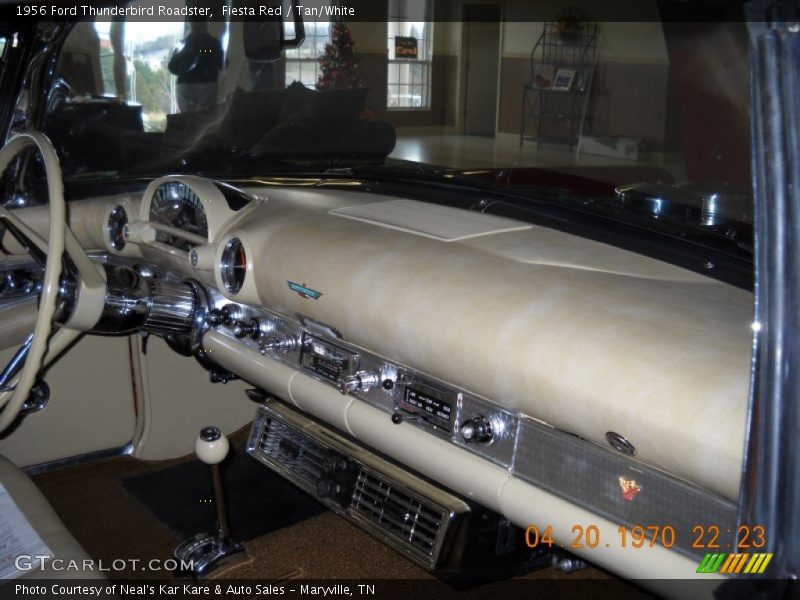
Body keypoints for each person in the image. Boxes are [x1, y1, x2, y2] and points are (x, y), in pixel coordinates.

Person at [168, 21, 224, 112]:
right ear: (206, 25)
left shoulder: (183, 43)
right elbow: (222, 63)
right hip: (207, 83)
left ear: (191, 26)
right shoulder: (213, 43)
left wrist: (186, 60)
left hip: (185, 83)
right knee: (206, 117)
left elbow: (172, 67)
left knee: (187, 117)